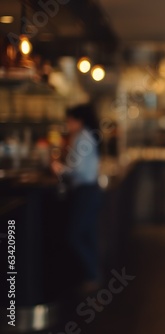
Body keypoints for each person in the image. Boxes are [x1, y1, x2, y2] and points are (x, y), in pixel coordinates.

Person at [51, 104, 102, 293]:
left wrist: (59, 168)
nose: (67, 123)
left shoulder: (82, 137)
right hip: (91, 190)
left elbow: (77, 169)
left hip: (86, 192)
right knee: (87, 235)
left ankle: (91, 275)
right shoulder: (87, 134)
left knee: (75, 236)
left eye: (69, 120)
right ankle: (93, 275)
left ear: (77, 120)